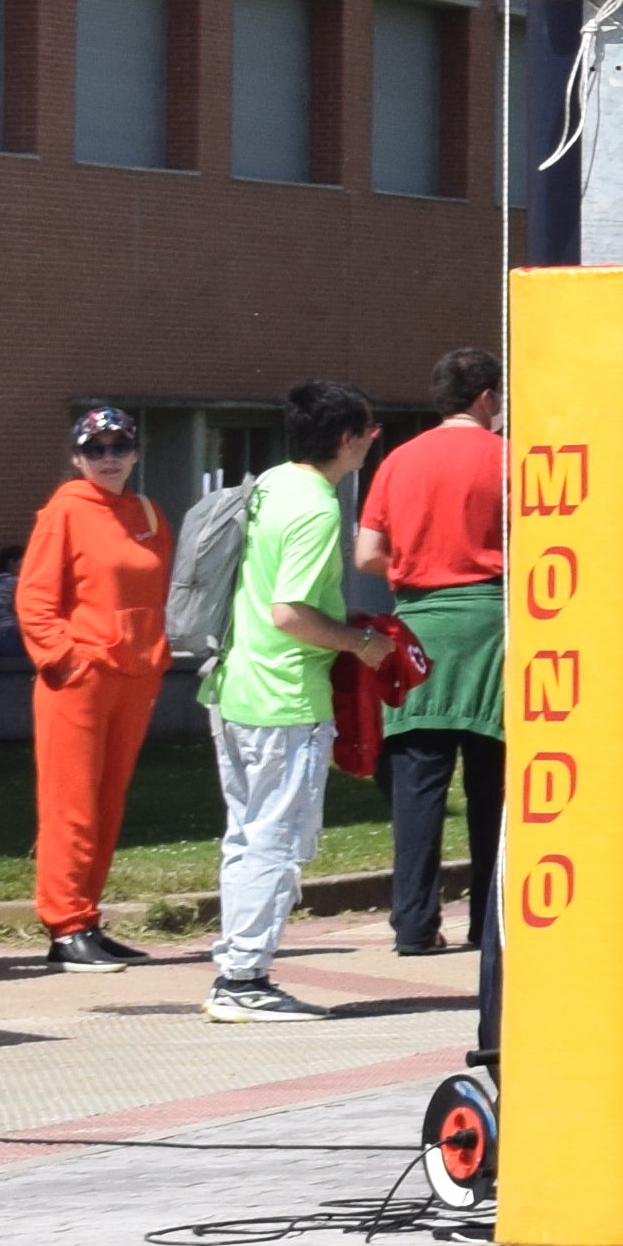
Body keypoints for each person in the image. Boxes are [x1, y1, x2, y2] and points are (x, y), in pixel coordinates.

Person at [208, 385, 415, 1024]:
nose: (370, 444)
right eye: (371, 434)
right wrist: (362, 644)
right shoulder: (319, 508)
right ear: (349, 439)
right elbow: (290, 612)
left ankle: (236, 971)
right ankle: (244, 979)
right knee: (276, 840)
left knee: (245, 836)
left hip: (236, 686)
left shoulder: (269, 483)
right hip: (285, 696)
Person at [359, 351, 510, 962]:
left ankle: (413, 925)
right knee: (491, 785)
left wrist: (416, 563)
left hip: (418, 627)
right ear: (485, 398)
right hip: (493, 629)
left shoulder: (399, 460)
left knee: (418, 785)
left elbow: (367, 553)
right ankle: (487, 922)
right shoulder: (508, 459)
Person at [17, 407, 172, 972]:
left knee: (108, 804)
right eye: (95, 449)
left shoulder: (147, 512)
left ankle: (87, 916)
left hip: (133, 677)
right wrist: (69, 660)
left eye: (119, 446)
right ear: (76, 457)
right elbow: (34, 600)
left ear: (136, 451)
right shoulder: (64, 511)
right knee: (72, 804)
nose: (108, 458)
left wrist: (151, 660)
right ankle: (65, 925)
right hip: (79, 680)